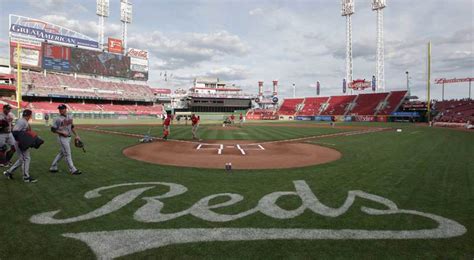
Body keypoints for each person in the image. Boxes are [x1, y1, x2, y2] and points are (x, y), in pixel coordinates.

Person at [3, 109, 37, 183]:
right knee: (26, 159)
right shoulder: (22, 121)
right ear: (30, 115)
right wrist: (20, 142)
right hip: (19, 142)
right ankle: (26, 177)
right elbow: (15, 131)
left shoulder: (23, 121)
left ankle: (9, 172)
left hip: (20, 142)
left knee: (22, 159)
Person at [49, 104, 82, 175]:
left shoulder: (70, 116)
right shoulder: (57, 119)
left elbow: (72, 127)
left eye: (62, 108)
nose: (60, 110)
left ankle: (53, 166)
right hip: (62, 138)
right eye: (59, 109)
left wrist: (76, 135)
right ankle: (73, 169)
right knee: (67, 153)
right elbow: (52, 129)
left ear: (65, 109)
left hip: (69, 138)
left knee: (62, 153)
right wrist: (61, 132)